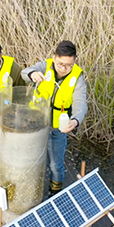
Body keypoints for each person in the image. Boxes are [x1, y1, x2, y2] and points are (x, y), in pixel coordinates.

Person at [22, 40, 87, 194]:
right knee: (29, 158)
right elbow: (24, 72)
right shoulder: (45, 66)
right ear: (54, 58)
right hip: (36, 121)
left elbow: (81, 103)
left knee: (55, 165)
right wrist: (32, 74)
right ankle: (28, 190)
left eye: (68, 65)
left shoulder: (77, 78)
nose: (64, 69)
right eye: (60, 64)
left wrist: (75, 119)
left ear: (74, 61)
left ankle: (55, 192)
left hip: (57, 127)